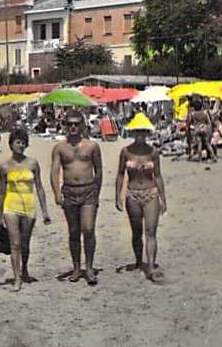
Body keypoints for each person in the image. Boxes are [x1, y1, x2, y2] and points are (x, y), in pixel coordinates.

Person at [50, 111, 103, 285]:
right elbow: (55, 170)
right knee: (74, 232)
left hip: (88, 191)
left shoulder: (92, 146)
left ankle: (88, 267)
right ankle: (76, 267)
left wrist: (97, 192)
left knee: (88, 229)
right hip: (69, 192)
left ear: (82, 125)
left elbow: (98, 170)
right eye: (70, 124)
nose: (73, 127)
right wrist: (57, 192)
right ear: (65, 125)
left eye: (76, 124)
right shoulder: (59, 148)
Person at [115, 113, 167, 282]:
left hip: (150, 192)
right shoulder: (126, 152)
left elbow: (158, 175)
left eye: (142, 132)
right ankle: (139, 261)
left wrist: (163, 198)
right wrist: (118, 196)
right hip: (132, 194)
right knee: (136, 232)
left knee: (151, 231)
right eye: (137, 132)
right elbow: (120, 174)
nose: (140, 135)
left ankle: (150, 266)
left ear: (146, 133)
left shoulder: (153, 152)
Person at [0, 127, 50, 292]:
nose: (20, 146)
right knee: (15, 243)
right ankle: (17, 278)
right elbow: (1, 193)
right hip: (11, 205)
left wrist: (45, 211)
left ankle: (25, 268)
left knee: (25, 244)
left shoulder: (33, 163)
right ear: (11, 144)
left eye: (22, 143)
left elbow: (40, 188)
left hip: (28, 205)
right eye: (17, 142)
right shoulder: (5, 167)